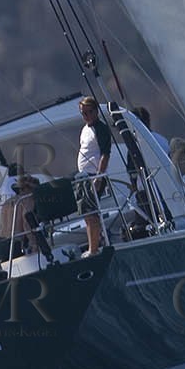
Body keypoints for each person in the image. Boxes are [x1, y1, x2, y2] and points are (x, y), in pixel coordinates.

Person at [76, 96, 112, 255]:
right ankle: (95, 243)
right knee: (85, 212)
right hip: (83, 176)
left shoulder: (101, 129)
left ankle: (94, 249)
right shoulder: (85, 129)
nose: (86, 116)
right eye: (83, 113)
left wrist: (99, 176)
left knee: (91, 212)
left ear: (96, 111)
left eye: (89, 112)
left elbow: (105, 154)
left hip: (93, 175)